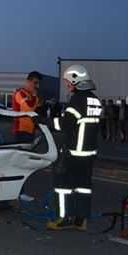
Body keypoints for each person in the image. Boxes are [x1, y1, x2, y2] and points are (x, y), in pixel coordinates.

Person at [47, 64, 101, 232]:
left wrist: (44, 122)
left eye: (68, 82)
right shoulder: (95, 100)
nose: (67, 85)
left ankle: (65, 219)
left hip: (75, 152)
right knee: (83, 186)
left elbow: (66, 123)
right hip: (89, 153)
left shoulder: (77, 99)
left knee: (62, 184)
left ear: (76, 80)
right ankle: (81, 221)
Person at [12, 71, 42, 202]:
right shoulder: (21, 93)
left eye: (38, 84)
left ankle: (19, 192)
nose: (37, 86)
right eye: (35, 83)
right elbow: (28, 109)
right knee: (21, 163)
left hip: (29, 132)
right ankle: (18, 193)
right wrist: (35, 97)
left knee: (24, 163)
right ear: (28, 81)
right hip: (21, 131)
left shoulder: (31, 95)